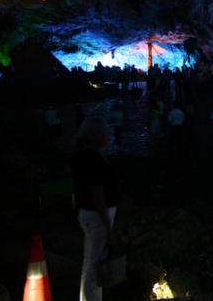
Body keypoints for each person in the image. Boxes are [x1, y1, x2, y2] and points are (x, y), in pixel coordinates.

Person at [72, 118, 119, 301]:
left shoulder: (83, 156)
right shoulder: (93, 159)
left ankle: (87, 297)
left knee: (90, 261)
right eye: (105, 131)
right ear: (95, 136)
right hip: (97, 216)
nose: (108, 133)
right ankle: (91, 298)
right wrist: (108, 227)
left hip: (89, 214)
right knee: (95, 264)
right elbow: (97, 194)